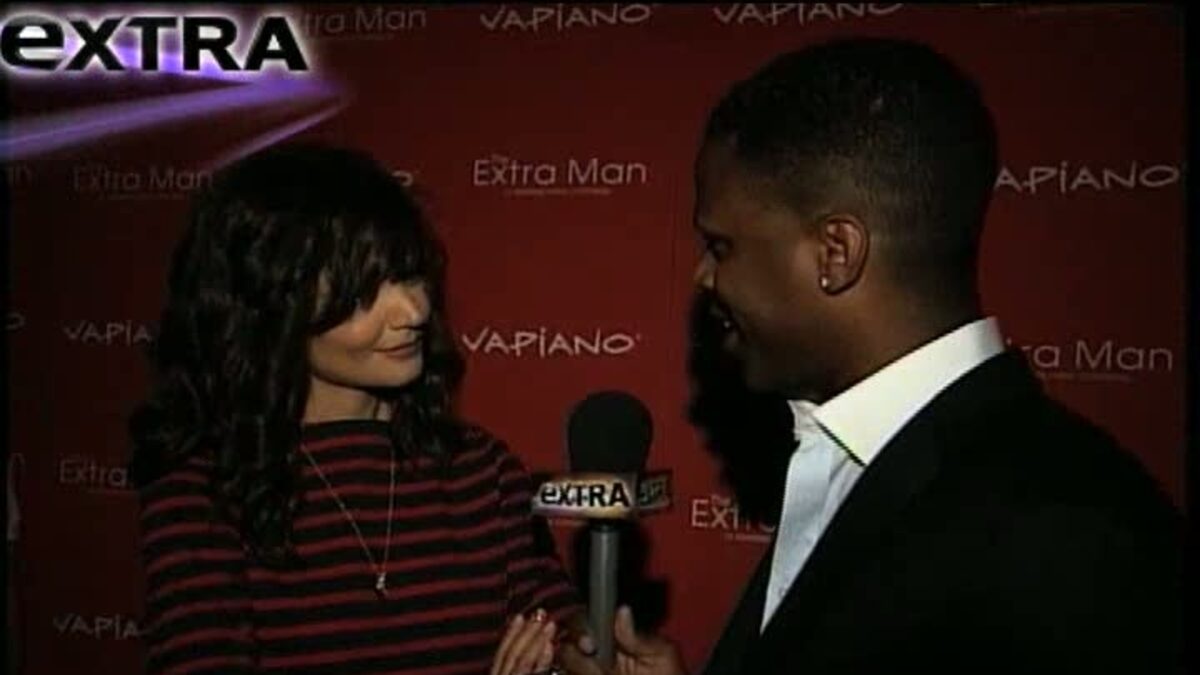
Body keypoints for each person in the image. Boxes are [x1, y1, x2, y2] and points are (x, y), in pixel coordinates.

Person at [561, 37, 1183, 675]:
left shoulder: (1066, 533)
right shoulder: (863, 461)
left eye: (722, 247)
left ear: (836, 253)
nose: (703, 277)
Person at [129, 143, 591, 675]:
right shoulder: (203, 492)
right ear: (271, 306)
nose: (414, 310)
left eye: (411, 275)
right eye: (364, 292)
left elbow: (554, 623)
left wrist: (593, 651)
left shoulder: (482, 470)